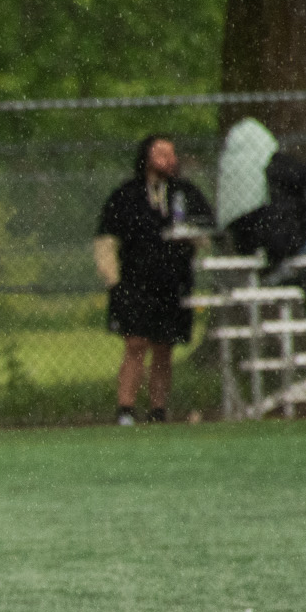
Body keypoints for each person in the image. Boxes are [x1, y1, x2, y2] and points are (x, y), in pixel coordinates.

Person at [93, 135, 213, 425]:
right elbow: (106, 241)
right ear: (146, 157)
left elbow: (206, 235)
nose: (168, 159)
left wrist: (192, 236)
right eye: (161, 153)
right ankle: (125, 410)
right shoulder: (127, 196)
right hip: (135, 282)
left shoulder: (185, 194)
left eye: (172, 154)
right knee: (135, 344)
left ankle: (158, 410)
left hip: (172, 282)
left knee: (164, 346)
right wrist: (113, 280)